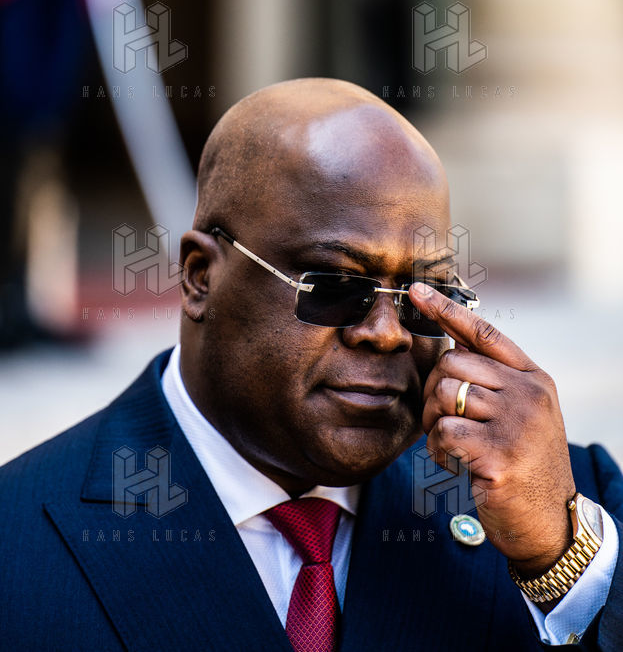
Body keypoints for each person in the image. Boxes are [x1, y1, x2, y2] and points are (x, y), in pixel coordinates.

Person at [1, 78, 622, 651]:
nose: (387, 334)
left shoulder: (549, 502)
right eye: (334, 287)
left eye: (424, 296)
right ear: (200, 278)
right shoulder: (20, 537)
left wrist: (560, 561)